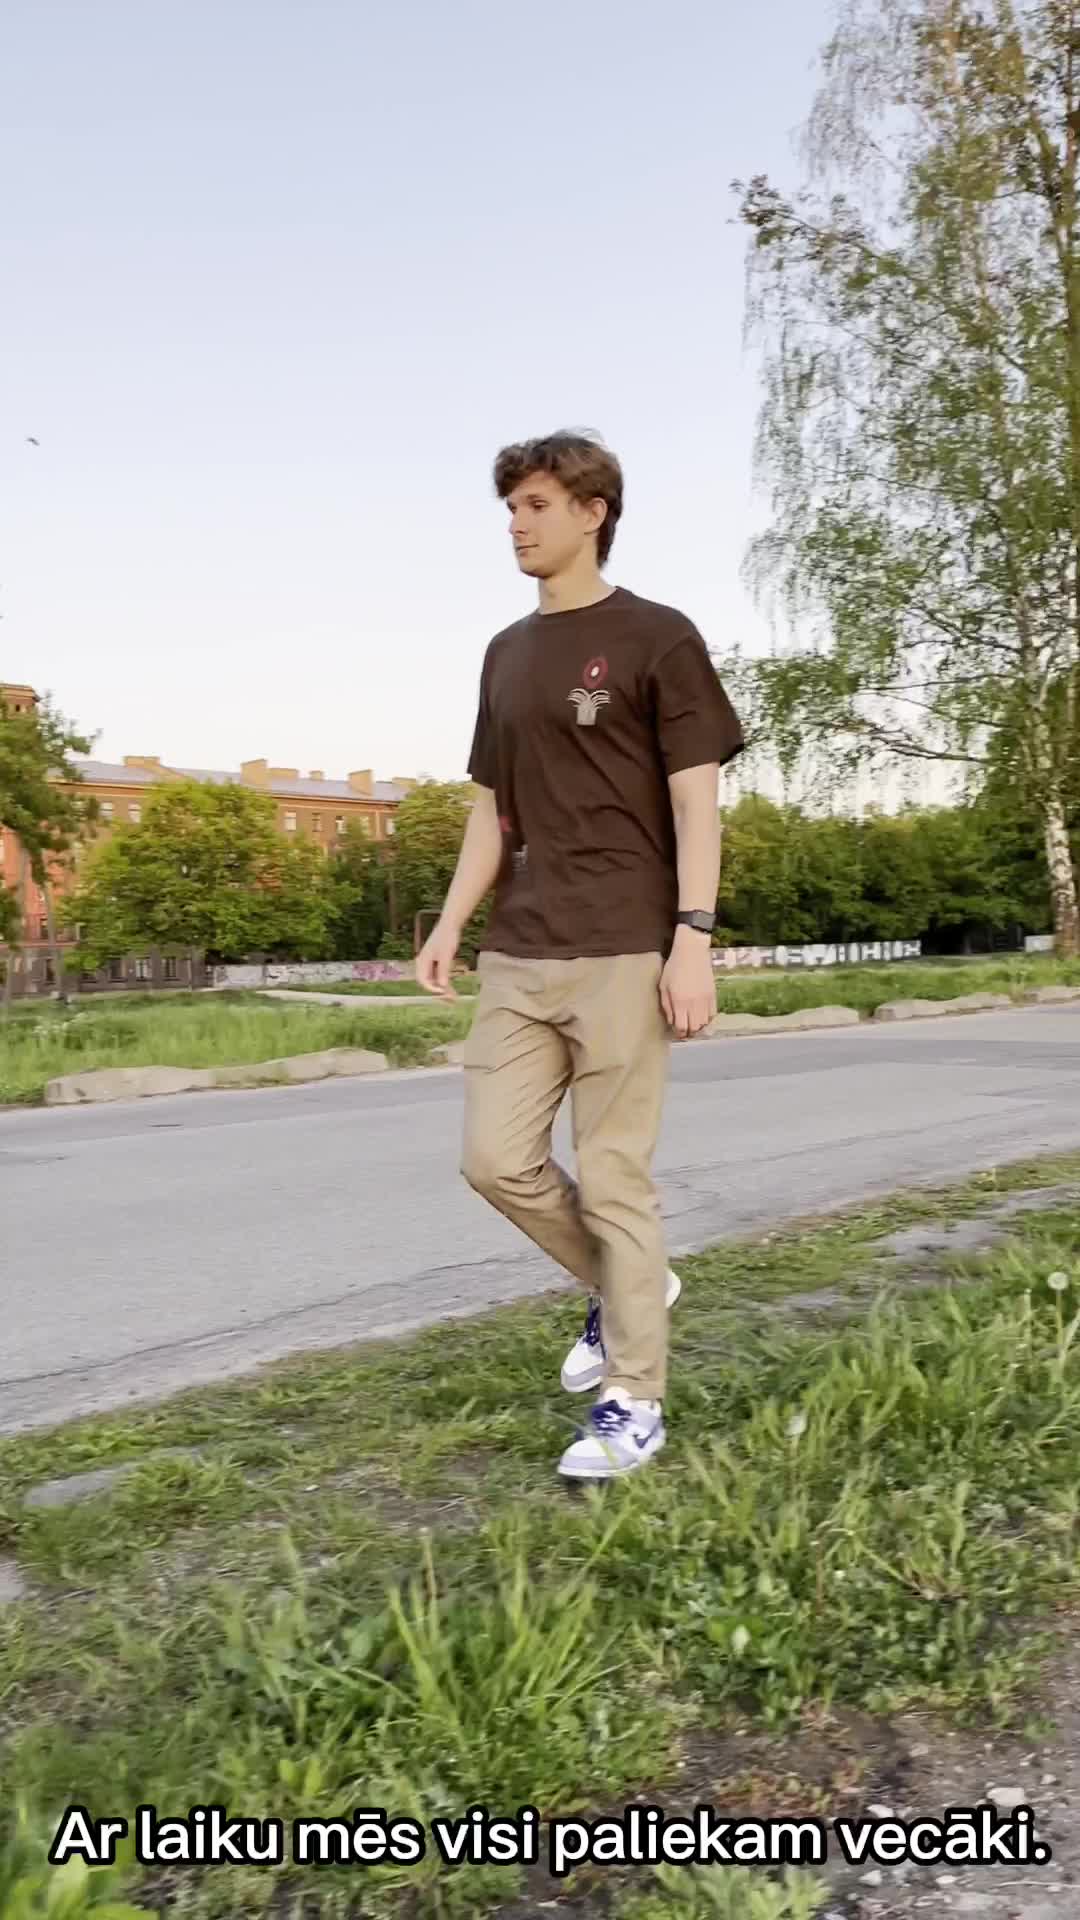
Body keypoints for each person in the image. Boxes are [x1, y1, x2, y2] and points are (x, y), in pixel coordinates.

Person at [416, 430, 744, 1480]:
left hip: (626, 945)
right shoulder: (505, 653)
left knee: (612, 1177)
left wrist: (693, 938)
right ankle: (627, 1286)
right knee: (493, 1160)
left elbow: (696, 802)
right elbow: (491, 809)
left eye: (537, 505)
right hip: (523, 944)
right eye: (510, 507)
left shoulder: (658, 637)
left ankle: (634, 1400)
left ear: (593, 513)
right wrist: (451, 922)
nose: (517, 525)